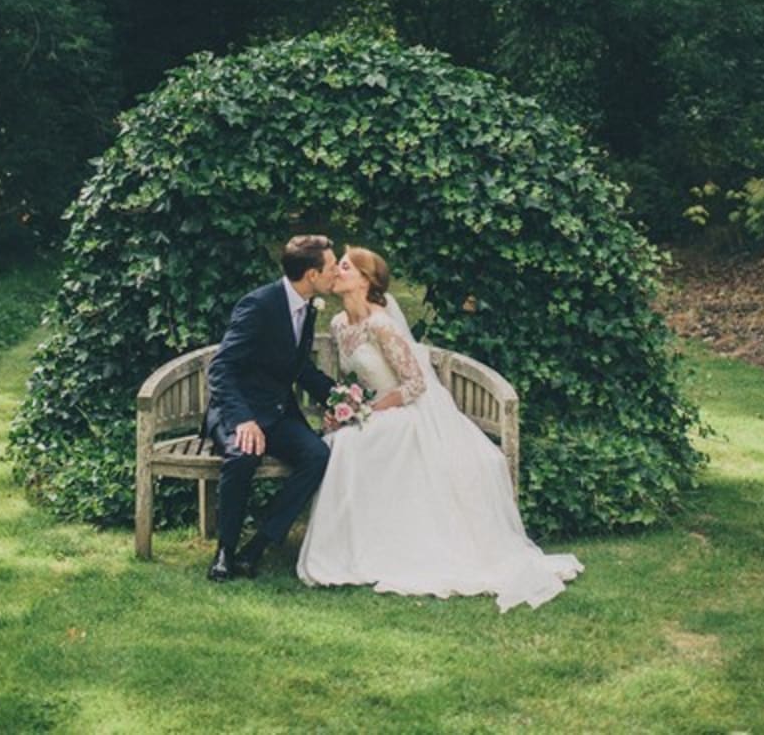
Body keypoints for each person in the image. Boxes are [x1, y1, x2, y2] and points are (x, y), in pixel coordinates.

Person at [296, 246, 583, 611]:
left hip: (402, 410)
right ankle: (350, 548)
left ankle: (378, 549)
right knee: (342, 442)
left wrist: (368, 409)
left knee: (353, 444)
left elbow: (415, 384)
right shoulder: (339, 323)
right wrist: (343, 407)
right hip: (372, 410)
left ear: (366, 280)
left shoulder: (381, 324)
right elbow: (350, 381)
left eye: (346, 266)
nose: (337, 271)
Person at [202, 234, 338, 582]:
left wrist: (341, 400)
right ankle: (225, 551)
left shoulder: (306, 308)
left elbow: (301, 368)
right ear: (312, 274)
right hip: (238, 412)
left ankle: (257, 547)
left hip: (276, 413)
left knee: (317, 455)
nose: (336, 273)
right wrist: (243, 420)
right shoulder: (259, 305)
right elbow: (221, 368)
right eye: (333, 267)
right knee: (243, 455)